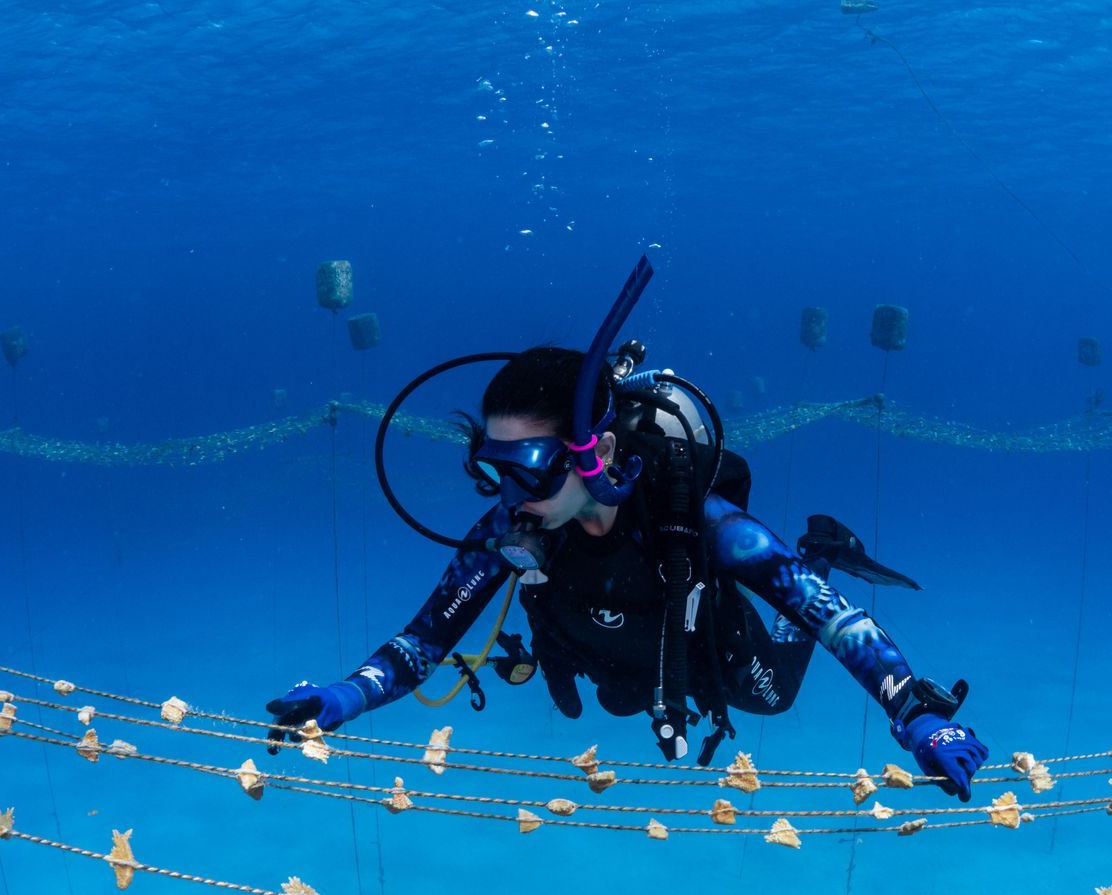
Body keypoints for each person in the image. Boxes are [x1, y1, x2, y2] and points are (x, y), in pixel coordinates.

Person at [266, 336, 989, 801]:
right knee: (614, 699)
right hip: (618, 660)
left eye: (532, 471)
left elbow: (831, 618)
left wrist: (916, 713)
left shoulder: (701, 524)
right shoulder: (510, 526)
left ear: (599, 455)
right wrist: (343, 698)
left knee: (773, 697)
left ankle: (825, 549)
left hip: (708, 651)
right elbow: (425, 641)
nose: (512, 501)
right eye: (494, 472)